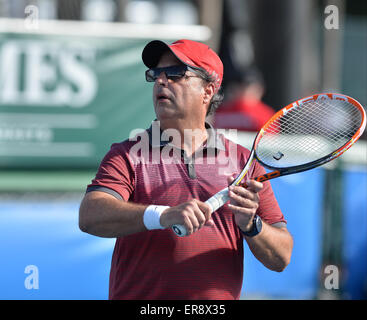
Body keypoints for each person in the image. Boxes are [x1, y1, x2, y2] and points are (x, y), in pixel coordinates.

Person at [79, 39, 293, 300]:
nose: (161, 81)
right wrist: (163, 216)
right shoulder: (126, 154)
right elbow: (90, 216)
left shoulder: (243, 161)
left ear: (208, 90)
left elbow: (281, 257)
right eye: (156, 74)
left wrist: (251, 224)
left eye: (175, 74)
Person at [214, 68, 275, 132]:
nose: (246, 90)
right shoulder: (221, 111)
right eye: (242, 85)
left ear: (260, 90)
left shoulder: (266, 114)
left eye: (249, 87)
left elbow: (270, 139)